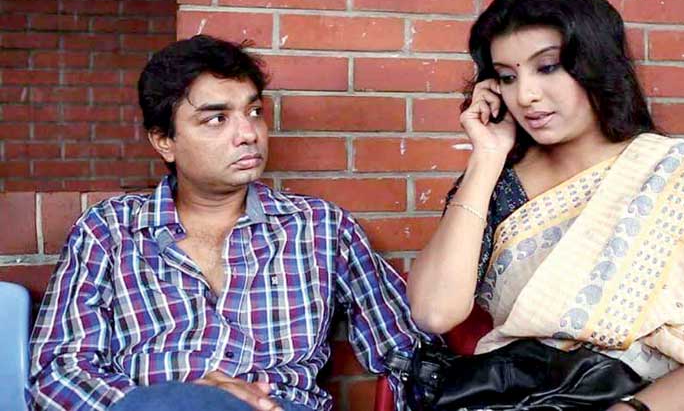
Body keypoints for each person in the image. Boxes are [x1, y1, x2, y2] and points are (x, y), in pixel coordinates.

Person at [407, 0, 684, 411]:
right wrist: (486, 158)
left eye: (548, 67)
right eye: (507, 77)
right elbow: (434, 312)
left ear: (596, 63)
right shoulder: (498, 185)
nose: (526, 95)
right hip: (511, 397)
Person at [27, 35, 424, 411]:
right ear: (164, 141)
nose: (248, 134)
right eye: (217, 119)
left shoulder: (320, 227)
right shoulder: (110, 231)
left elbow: (410, 352)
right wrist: (180, 401)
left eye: (254, 112)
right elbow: (58, 375)